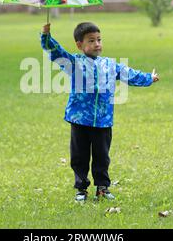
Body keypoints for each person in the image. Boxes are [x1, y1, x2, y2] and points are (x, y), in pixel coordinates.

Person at [40, 22, 159, 202]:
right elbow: (57, 53)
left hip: (103, 120)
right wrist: (46, 36)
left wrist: (148, 78)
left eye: (99, 40)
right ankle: (81, 188)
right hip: (79, 119)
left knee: (102, 156)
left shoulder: (110, 65)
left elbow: (129, 74)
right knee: (79, 156)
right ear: (80, 45)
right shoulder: (74, 63)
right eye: (91, 40)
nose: (97, 44)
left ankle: (102, 187)